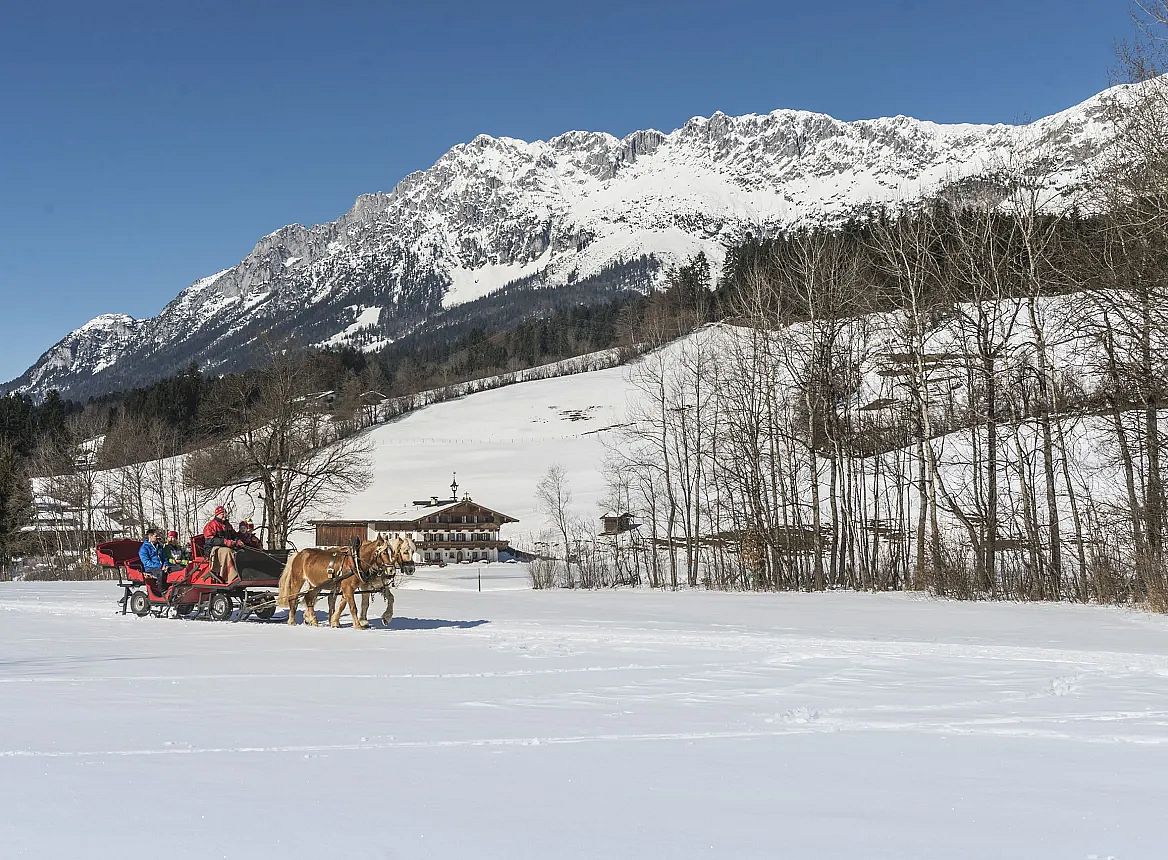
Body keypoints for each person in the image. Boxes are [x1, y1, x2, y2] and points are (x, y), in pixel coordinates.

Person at [202, 505, 244, 584]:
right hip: (213, 549)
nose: (224, 515)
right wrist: (225, 542)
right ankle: (230, 576)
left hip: (226, 546)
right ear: (217, 514)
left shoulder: (228, 525)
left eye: (225, 513)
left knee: (241, 552)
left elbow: (234, 535)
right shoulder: (211, 525)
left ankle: (242, 573)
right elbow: (210, 541)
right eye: (222, 513)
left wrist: (238, 541)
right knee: (227, 552)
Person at [139, 528, 183, 596]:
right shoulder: (144, 548)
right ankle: (162, 591)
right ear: (150, 536)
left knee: (179, 568)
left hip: (163, 566)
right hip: (151, 568)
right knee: (161, 573)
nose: (158, 537)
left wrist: (165, 564)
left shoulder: (159, 546)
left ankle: (177, 588)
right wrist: (160, 566)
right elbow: (146, 562)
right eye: (156, 536)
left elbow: (164, 557)